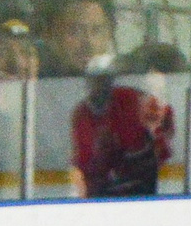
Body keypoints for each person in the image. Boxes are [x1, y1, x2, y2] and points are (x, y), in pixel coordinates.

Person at [71, 40, 179, 196]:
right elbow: (86, 159)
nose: (101, 86)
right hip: (105, 186)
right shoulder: (83, 112)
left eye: (106, 79)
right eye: (97, 80)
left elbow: (162, 146)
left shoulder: (132, 99)